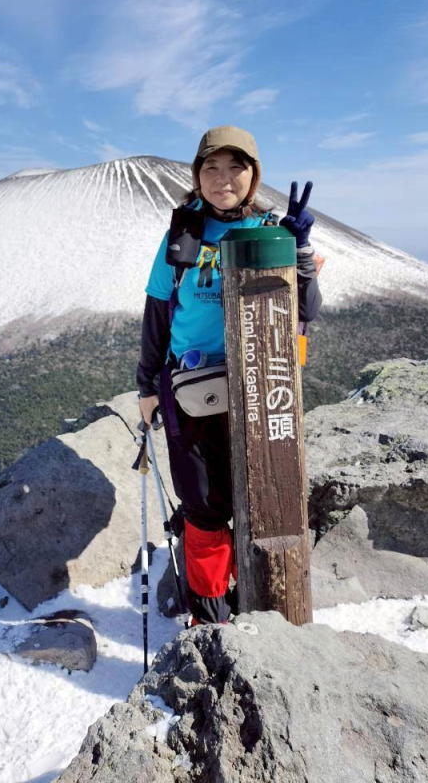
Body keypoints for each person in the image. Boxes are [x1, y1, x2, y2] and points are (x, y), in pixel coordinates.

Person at [137, 125, 323, 624]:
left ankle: (260, 594)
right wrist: (146, 386)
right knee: (203, 506)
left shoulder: (271, 230)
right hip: (191, 389)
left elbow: (305, 307)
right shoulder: (183, 234)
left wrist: (299, 251)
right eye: (211, 167)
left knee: (262, 496)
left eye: (235, 166)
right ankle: (211, 614)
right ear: (197, 175)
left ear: (253, 174)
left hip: (261, 384)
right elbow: (158, 311)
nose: (223, 178)